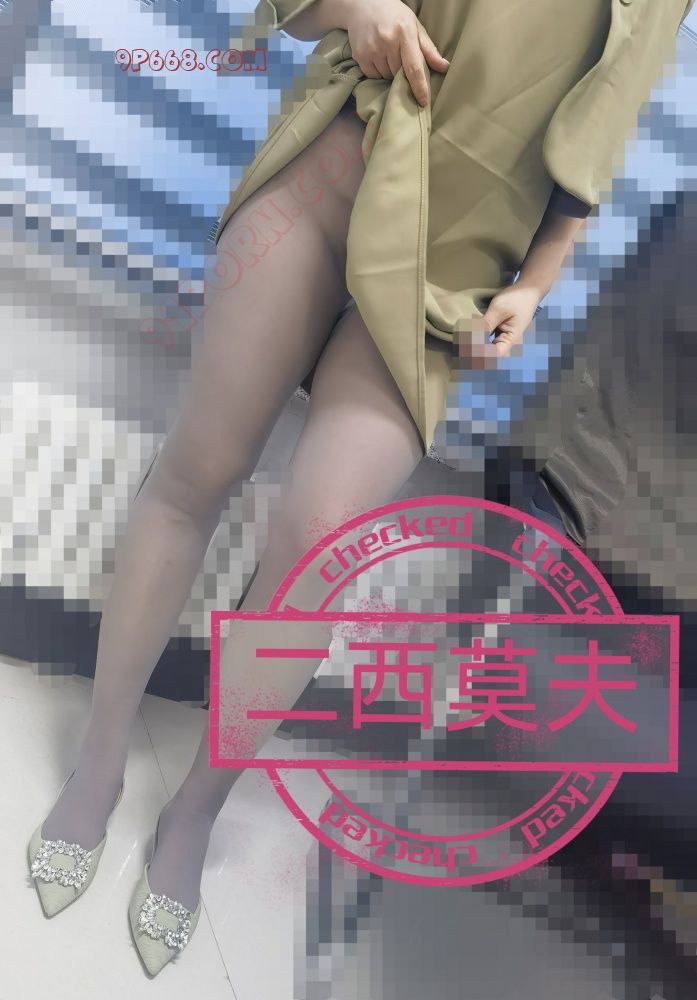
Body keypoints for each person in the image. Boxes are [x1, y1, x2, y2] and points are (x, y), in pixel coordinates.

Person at [26, 0, 693, 977]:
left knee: (315, 561)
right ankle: (97, 766)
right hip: (333, 170)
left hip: (451, 270)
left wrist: (534, 285)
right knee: (197, 471)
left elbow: (596, 135)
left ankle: (194, 814)